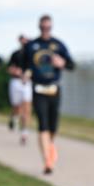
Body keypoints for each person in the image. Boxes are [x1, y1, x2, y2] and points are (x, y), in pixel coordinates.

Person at [22, 15, 74, 174]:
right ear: (39, 27)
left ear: (51, 27)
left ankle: (50, 146)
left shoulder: (58, 45)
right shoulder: (31, 46)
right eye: (43, 27)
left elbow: (71, 65)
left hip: (54, 88)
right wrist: (25, 74)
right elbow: (23, 65)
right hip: (38, 89)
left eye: (48, 27)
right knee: (42, 124)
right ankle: (47, 161)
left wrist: (62, 63)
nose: (45, 29)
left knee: (53, 127)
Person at [7, 35, 33, 145]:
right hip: (16, 82)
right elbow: (9, 68)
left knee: (26, 108)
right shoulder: (15, 54)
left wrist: (28, 75)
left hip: (27, 83)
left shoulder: (32, 55)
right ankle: (14, 117)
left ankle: (24, 132)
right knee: (16, 107)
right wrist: (15, 71)